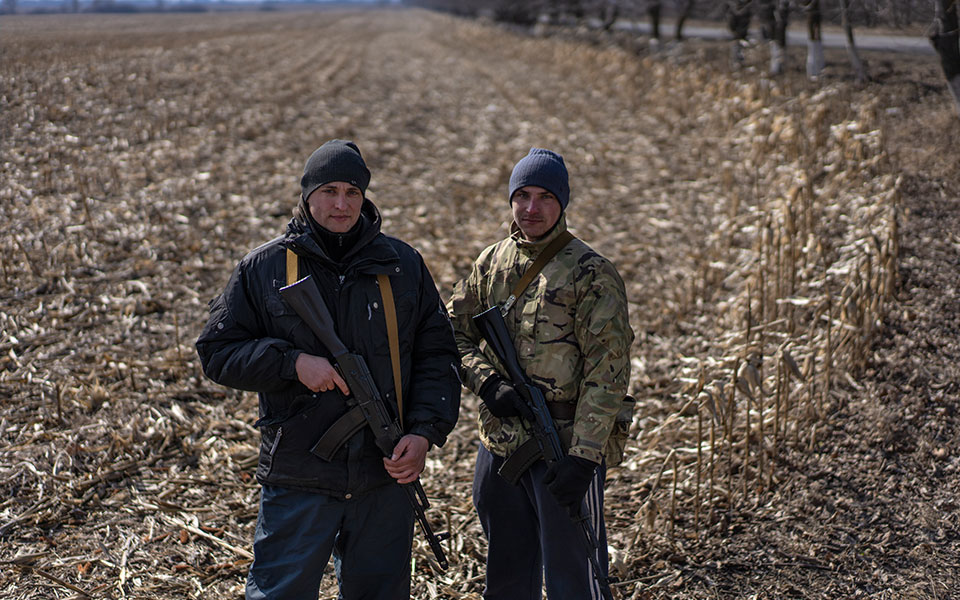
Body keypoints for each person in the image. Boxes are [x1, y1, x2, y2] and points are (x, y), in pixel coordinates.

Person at [196, 139, 461, 600]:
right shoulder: (264, 268)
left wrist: (424, 432)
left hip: (384, 475)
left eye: (353, 193)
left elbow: (438, 355)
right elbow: (217, 351)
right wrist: (292, 363)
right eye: (329, 191)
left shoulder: (403, 266)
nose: (341, 204)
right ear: (306, 195)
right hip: (299, 476)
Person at [448, 148, 634, 600]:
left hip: (564, 448)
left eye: (545, 197)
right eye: (523, 195)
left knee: (576, 577)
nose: (531, 208)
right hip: (501, 443)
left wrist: (585, 458)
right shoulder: (490, 263)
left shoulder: (591, 272)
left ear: (563, 203)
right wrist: (487, 382)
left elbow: (608, 373)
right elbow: (452, 336)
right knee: (508, 572)